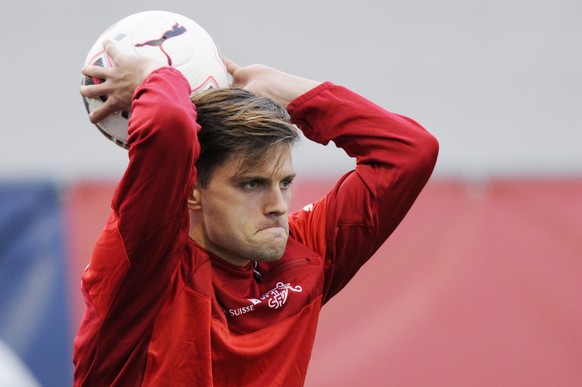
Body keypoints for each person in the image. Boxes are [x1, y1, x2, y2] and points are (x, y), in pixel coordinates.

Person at [74, 39, 439, 386]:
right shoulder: (141, 266)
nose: (278, 206)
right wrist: (157, 77)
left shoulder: (303, 253)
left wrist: (285, 91)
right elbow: (170, 125)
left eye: (284, 182)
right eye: (252, 184)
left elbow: (410, 152)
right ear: (191, 191)